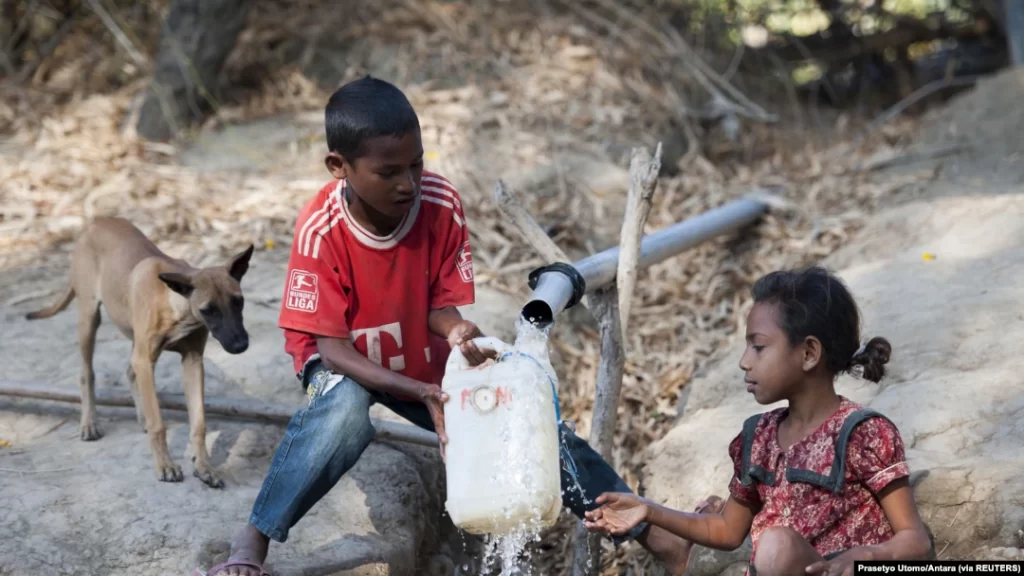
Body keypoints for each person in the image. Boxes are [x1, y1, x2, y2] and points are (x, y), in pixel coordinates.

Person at [203, 75, 698, 576]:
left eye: (417, 164)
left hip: (419, 355)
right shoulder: (321, 229)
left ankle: (656, 535)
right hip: (345, 361)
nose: (408, 183)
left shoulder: (439, 205)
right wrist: (419, 391)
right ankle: (253, 541)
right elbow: (331, 350)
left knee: (535, 429)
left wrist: (458, 332)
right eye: (389, 171)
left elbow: (438, 307)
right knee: (347, 411)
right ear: (340, 167)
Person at [583, 266, 934, 576]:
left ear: (809, 353)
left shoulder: (861, 433)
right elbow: (727, 530)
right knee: (773, 548)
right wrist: (647, 510)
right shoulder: (760, 437)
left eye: (759, 347)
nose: (744, 362)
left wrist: (869, 555)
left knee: (777, 546)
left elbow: (914, 541)